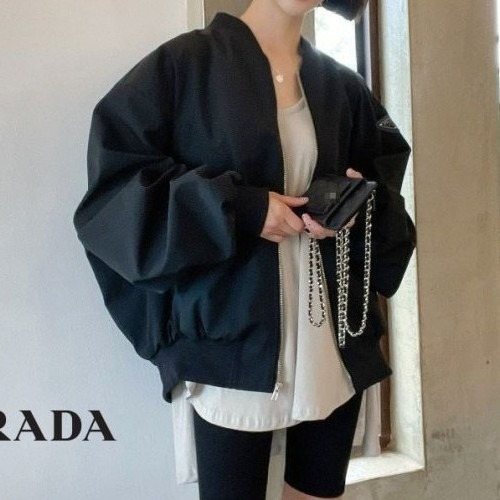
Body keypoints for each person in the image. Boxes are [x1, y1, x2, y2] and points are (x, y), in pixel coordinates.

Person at [73, 0, 416, 498]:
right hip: (230, 340)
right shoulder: (183, 67)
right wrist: (242, 210)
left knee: (318, 491)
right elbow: (115, 195)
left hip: (332, 343)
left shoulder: (341, 85)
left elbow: (382, 186)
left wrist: (352, 204)